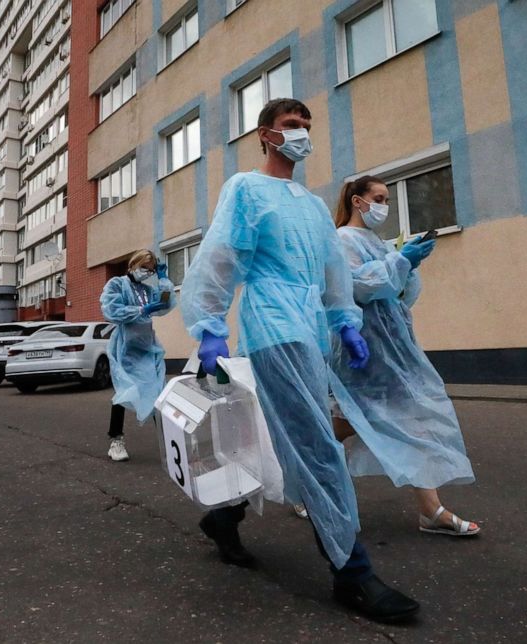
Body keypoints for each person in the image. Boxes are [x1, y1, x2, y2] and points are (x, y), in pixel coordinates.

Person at [180, 98, 419, 624]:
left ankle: (224, 519)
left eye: (307, 126)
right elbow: (220, 257)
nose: (302, 135)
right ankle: (352, 573)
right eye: (291, 126)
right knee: (315, 442)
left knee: (273, 437)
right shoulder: (245, 189)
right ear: (266, 135)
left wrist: (344, 322)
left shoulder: (311, 206)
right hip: (273, 325)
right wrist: (210, 326)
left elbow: (334, 269)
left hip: (308, 328)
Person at [329, 176, 479, 536]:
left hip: (392, 348)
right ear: (356, 201)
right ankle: (308, 481)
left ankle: (432, 510)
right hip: (364, 348)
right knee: (354, 420)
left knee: (407, 418)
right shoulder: (341, 240)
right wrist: (398, 263)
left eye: (387, 199)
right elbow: (357, 288)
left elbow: (399, 295)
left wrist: (407, 265)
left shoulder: (376, 242)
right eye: (378, 198)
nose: (384, 205)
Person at [99, 249, 175, 461]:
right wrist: (141, 311)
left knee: (156, 391)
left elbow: (165, 304)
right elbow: (111, 310)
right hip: (125, 346)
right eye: (144, 268)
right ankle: (116, 441)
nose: (146, 273)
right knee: (124, 391)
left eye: (150, 271)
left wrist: (163, 279)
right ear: (133, 264)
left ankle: (169, 441)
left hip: (147, 345)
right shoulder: (117, 284)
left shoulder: (147, 290)